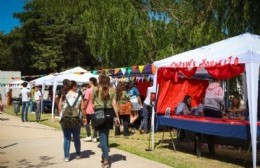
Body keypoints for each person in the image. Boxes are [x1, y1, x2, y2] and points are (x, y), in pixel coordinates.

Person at [92, 75, 120, 168]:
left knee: (102, 137)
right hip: (109, 113)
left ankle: (106, 159)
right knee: (106, 136)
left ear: (99, 80)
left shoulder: (95, 89)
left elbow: (93, 104)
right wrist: (117, 117)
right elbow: (114, 104)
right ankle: (104, 156)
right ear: (108, 81)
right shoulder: (112, 90)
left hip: (99, 112)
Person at [59, 80, 85, 162]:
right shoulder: (79, 96)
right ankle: (78, 154)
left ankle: (67, 157)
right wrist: (85, 118)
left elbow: (59, 107)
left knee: (66, 138)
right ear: (73, 87)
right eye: (76, 86)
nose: (77, 87)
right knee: (77, 137)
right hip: (76, 119)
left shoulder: (64, 96)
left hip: (65, 119)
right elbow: (83, 108)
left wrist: (62, 114)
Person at [83, 77, 98, 142]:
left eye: (89, 81)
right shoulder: (98, 89)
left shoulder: (88, 90)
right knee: (95, 123)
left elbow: (86, 100)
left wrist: (83, 107)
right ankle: (95, 137)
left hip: (89, 109)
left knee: (87, 122)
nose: (88, 83)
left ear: (91, 82)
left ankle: (89, 136)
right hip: (97, 109)